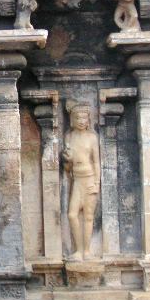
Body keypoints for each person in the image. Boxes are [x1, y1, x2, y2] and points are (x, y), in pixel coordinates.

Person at [63, 103, 100, 261]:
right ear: (72, 119)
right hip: (76, 180)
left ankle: (87, 251)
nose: (81, 120)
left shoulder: (92, 137)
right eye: (77, 117)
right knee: (72, 215)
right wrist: (67, 160)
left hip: (89, 178)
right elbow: (67, 167)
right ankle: (78, 250)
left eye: (84, 117)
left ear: (88, 119)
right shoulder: (69, 137)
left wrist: (97, 183)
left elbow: (96, 162)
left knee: (88, 216)